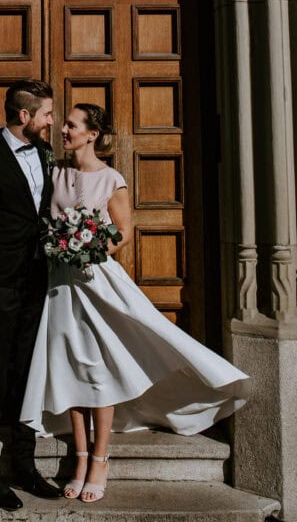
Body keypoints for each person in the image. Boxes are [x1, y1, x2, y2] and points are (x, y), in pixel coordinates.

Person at [21, 103, 250, 503]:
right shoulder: (54, 171)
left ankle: (100, 459)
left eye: (71, 125)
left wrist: (89, 246)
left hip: (96, 282)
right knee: (67, 366)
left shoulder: (112, 179)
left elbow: (122, 234)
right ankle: (78, 457)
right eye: (64, 124)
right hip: (59, 285)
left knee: (98, 370)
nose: (63, 130)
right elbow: (44, 223)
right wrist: (57, 243)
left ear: (91, 134)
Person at [0, 79, 62, 510]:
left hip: (38, 282)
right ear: (25, 116)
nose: (52, 121)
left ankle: (24, 465)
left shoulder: (44, 153)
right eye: (47, 114)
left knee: (28, 375)